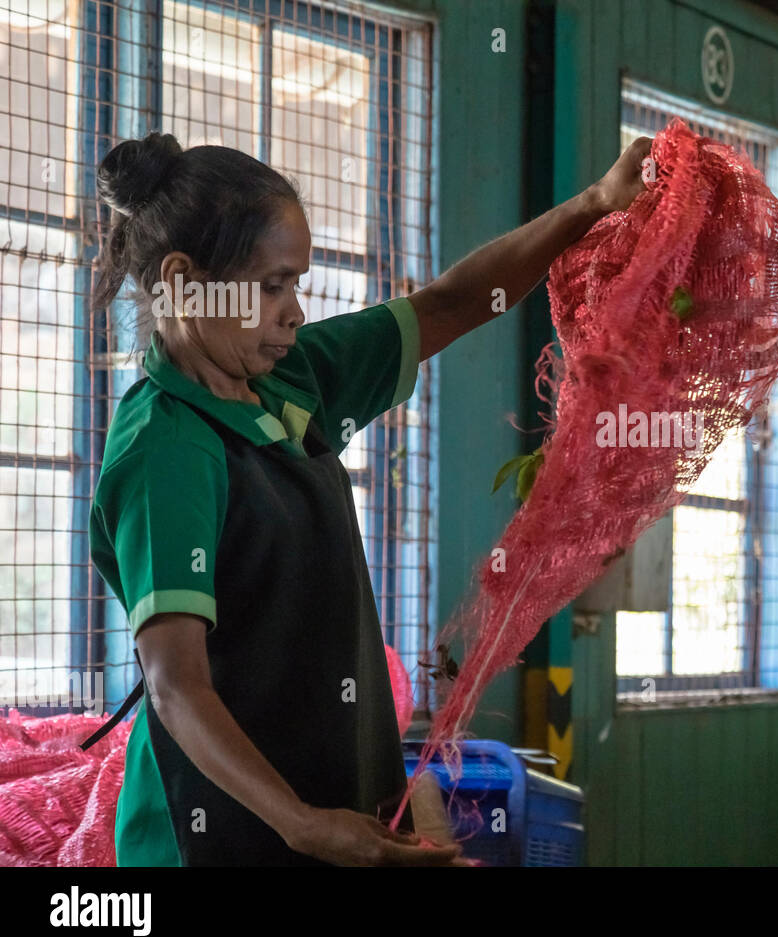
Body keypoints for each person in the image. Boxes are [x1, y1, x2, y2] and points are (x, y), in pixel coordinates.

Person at [88, 130, 651, 866]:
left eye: (299, 284)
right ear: (186, 280)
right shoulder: (166, 447)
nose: (294, 311)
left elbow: (452, 303)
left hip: (321, 813)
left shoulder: (288, 379)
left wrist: (595, 205)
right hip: (216, 837)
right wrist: (303, 823)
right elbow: (176, 686)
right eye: (272, 285)